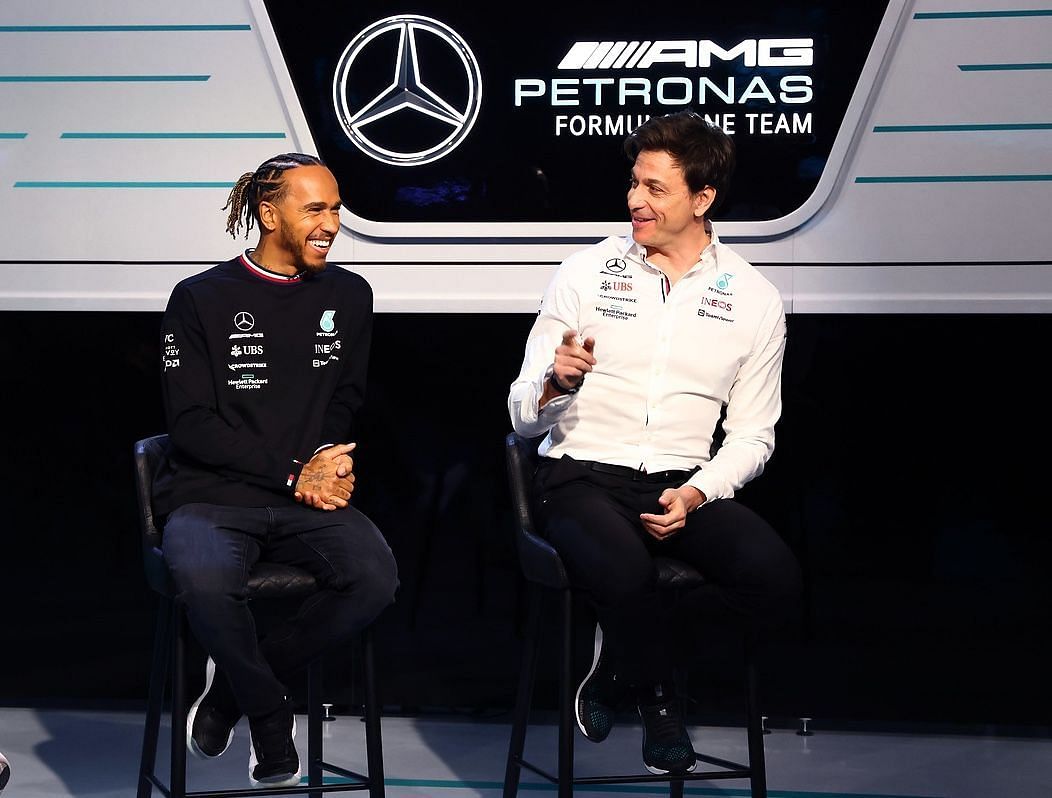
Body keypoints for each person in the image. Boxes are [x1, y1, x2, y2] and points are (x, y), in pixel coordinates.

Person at [507, 111, 802, 776]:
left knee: (775, 583)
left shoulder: (754, 298)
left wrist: (699, 491)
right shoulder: (584, 273)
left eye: (656, 189)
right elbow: (522, 412)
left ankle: (616, 671)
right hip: (581, 479)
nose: (636, 200)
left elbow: (754, 434)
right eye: (634, 183)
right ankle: (662, 700)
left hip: (681, 485)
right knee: (627, 574)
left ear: (703, 199)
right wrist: (555, 382)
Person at [153, 153, 399, 787]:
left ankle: (233, 692)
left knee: (374, 578)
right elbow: (191, 425)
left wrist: (330, 460)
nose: (331, 223)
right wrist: (295, 471)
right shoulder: (200, 297)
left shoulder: (350, 294)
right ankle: (268, 712)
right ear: (268, 214)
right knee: (206, 582)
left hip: (304, 504)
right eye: (314, 209)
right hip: (211, 498)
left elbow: (346, 399)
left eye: (336, 209)